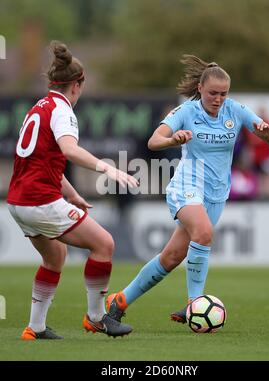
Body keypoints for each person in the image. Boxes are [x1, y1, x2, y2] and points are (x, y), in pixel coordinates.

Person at [105, 54, 269, 326]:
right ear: (200, 89)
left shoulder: (235, 110)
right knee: (204, 233)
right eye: (213, 93)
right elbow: (154, 141)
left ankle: (119, 302)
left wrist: (268, 134)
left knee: (172, 257)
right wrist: (173, 139)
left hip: (216, 193)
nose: (218, 99)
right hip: (186, 186)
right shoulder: (186, 111)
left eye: (223, 94)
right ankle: (194, 305)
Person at [6, 41, 138, 340]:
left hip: (17, 201)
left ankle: (35, 327)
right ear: (77, 85)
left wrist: (71, 192)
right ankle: (97, 317)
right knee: (104, 244)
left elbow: (44, 159)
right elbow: (69, 150)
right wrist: (109, 169)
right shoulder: (63, 111)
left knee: (55, 256)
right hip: (39, 201)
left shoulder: (38, 108)